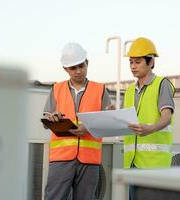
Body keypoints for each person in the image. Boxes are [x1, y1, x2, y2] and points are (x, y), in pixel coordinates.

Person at [42, 42, 112, 200]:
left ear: (87, 63)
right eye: (73, 68)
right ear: (65, 69)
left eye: (81, 66)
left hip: (89, 160)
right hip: (61, 158)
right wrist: (51, 118)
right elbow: (45, 120)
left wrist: (88, 127)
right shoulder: (56, 89)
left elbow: (108, 123)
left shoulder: (100, 89)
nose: (78, 71)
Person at [123, 37, 175, 199]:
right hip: (132, 162)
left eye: (137, 62)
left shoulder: (162, 84)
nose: (133, 66)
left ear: (150, 62)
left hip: (155, 164)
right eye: (131, 62)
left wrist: (150, 128)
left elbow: (166, 116)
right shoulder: (130, 90)